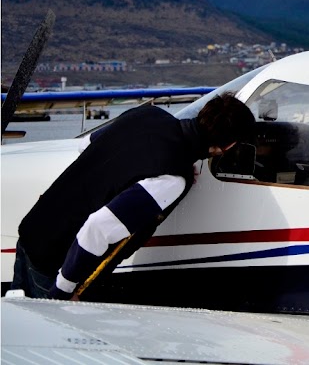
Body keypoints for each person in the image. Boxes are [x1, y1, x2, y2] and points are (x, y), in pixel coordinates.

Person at [11, 93, 255, 300]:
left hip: (33, 230)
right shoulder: (171, 178)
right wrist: (63, 290)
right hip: (52, 263)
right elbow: (97, 228)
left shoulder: (149, 115)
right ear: (229, 146)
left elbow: (88, 144)